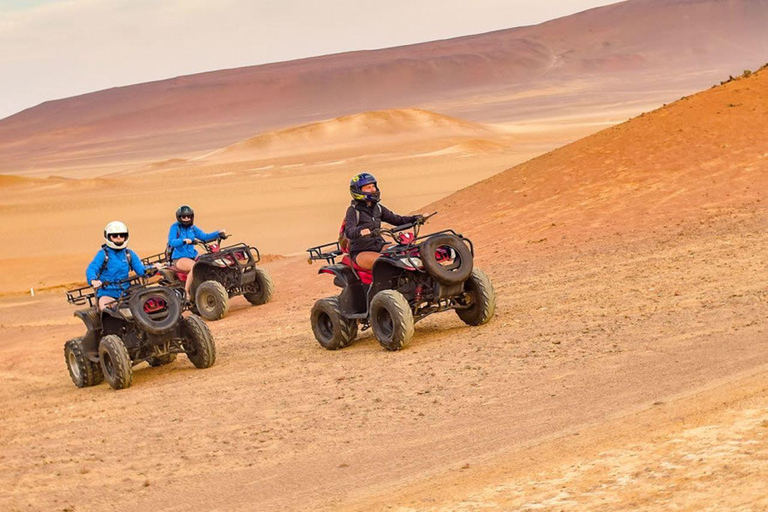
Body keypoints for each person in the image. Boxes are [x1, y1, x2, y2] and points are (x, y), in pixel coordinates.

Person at [343, 172, 429, 270]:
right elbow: (349, 231)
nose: (373, 189)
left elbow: (397, 219)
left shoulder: (378, 208)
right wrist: (360, 231)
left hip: (380, 246)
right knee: (386, 263)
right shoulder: (353, 210)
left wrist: (416, 218)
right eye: (368, 187)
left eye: (373, 186)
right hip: (361, 251)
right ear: (358, 191)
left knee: (406, 254)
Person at [86, 221, 151, 310]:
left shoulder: (129, 254)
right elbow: (92, 268)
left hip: (127, 292)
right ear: (108, 237)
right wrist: (93, 280)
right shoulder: (103, 254)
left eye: (122, 235)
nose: (119, 237)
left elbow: (141, 270)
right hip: (107, 293)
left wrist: (154, 269)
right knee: (107, 310)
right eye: (115, 235)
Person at [167, 205, 226, 299]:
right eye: (184, 217)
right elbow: (172, 241)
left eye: (188, 216)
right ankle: (186, 292)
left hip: (192, 255)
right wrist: (183, 240)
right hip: (179, 258)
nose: (186, 219)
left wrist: (218, 233)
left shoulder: (192, 228)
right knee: (194, 267)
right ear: (179, 217)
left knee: (208, 261)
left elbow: (204, 237)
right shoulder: (175, 227)